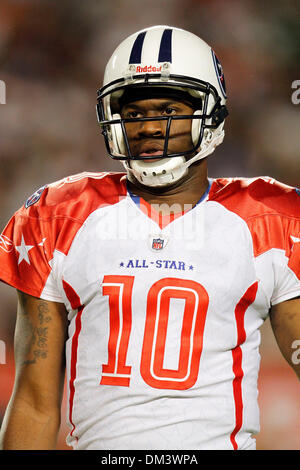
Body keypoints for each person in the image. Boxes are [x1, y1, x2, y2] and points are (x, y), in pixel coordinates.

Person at [0, 25, 299, 451]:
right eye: (134, 113)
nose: (148, 127)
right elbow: (34, 402)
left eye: (167, 110)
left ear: (209, 113)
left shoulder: (271, 219)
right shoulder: (58, 215)